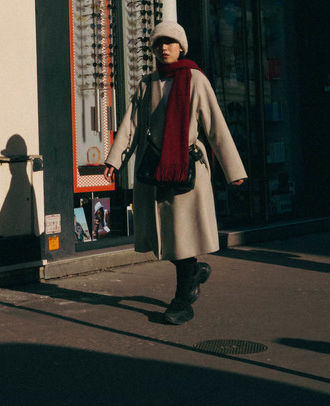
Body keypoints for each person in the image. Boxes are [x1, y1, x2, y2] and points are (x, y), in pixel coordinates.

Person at [104, 20, 247, 325]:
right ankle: (194, 271)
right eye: (158, 44)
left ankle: (182, 301)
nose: (164, 48)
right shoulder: (147, 83)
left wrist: (232, 169)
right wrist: (114, 161)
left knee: (181, 236)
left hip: (186, 168)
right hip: (155, 169)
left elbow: (215, 125)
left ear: (181, 47)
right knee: (166, 237)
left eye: (169, 42)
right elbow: (131, 125)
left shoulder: (195, 79)